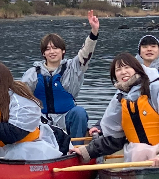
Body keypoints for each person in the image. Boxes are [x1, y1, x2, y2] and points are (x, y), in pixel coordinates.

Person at [72, 52, 159, 167]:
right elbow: (113, 140)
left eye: (127, 67)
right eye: (118, 69)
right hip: (138, 158)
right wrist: (86, 151)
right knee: (138, 151)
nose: (123, 72)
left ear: (137, 69)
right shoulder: (119, 100)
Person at [19, 11, 101, 139]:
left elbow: (86, 52)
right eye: (47, 49)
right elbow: (19, 96)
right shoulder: (32, 73)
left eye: (55, 48)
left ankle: (77, 147)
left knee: (80, 112)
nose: (52, 52)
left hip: (66, 118)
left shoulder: (74, 67)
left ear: (63, 51)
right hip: (41, 120)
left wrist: (94, 32)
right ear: (43, 54)